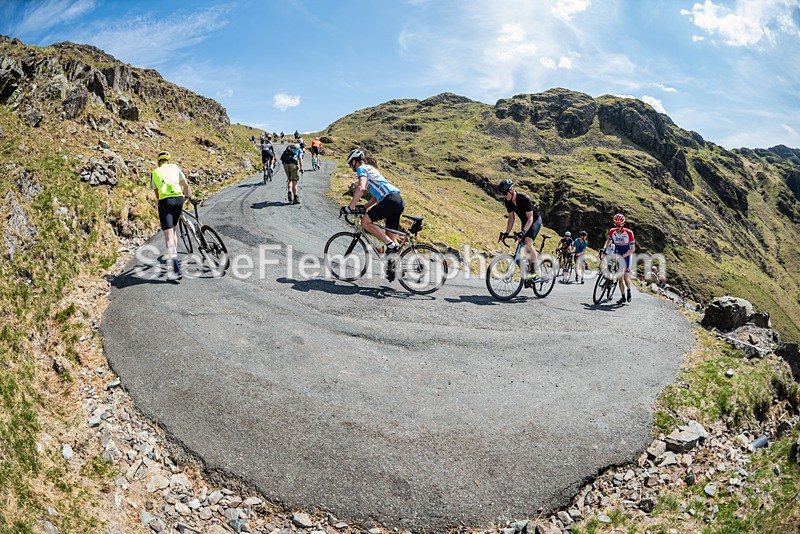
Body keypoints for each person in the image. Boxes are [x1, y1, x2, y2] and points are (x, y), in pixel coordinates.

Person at [342, 149, 405, 267]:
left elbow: (361, 188)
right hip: (397, 200)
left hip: (390, 200)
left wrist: (349, 208)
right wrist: (364, 206)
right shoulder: (371, 169)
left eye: (351, 164)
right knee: (391, 238)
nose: (351, 167)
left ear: (355, 161)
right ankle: (395, 267)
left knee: (365, 222)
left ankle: (391, 247)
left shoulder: (362, 169)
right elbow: (376, 197)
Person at [150, 150, 191, 282]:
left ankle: (175, 271)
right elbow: (186, 185)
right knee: (173, 231)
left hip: (165, 202)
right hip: (179, 199)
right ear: (169, 160)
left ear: (158, 162)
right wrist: (186, 196)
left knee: (168, 238)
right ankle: (175, 262)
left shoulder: (155, 173)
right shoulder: (175, 167)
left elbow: (156, 194)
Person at [497, 178, 542, 283]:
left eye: (505, 193)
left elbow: (530, 218)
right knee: (521, 243)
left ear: (511, 190)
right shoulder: (508, 202)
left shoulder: (524, 198)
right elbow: (511, 218)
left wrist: (523, 231)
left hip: (534, 220)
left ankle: (536, 272)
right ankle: (528, 269)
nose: (504, 196)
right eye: (502, 194)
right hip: (524, 221)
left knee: (528, 243)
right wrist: (506, 233)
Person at [602, 213, 636, 303]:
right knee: (619, 277)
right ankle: (623, 297)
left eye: (619, 225)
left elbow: (633, 249)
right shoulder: (612, 231)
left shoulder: (629, 233)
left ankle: (629, 291)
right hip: (618, 252)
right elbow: (608, 241)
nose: (618, 227)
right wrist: (604, 249)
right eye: (616, 225)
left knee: (625, 277)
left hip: (627, 254)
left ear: (623, 224)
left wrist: (623, 256)